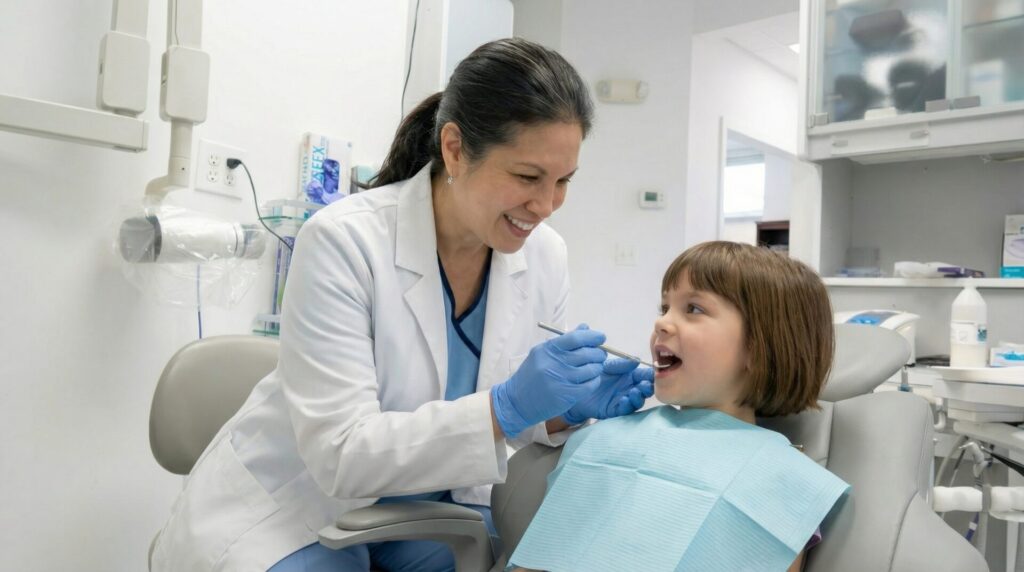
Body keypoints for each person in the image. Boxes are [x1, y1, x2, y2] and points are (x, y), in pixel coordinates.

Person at [149, 37, 654, 572]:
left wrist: (557, 412)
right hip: (295, 508)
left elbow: (496, 413)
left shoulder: (544, 255)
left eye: (563, 182)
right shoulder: (343, 241)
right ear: (455, 149)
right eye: (528, 177)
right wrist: (507, 406)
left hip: (427, 506)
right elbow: (342, 455)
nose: (547, 205)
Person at [509, 241, 850, 572]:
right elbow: (540, 557)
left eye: (694, 309)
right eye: (664, 308)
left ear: (759, 347)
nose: (661, 323)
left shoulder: (786, 478)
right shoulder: (603, 438)